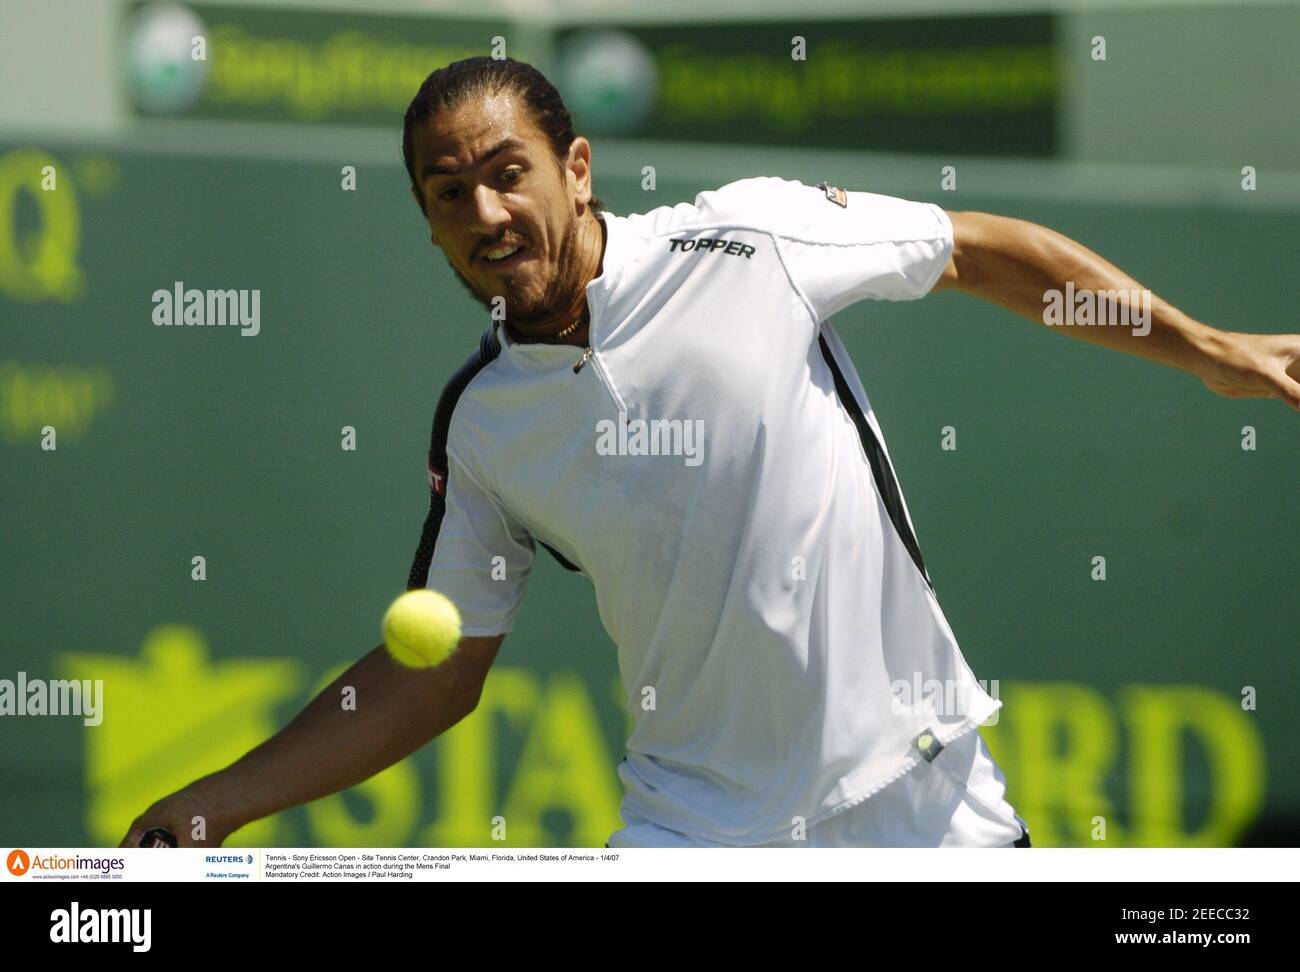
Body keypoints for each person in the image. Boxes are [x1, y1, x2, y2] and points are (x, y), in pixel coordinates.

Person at [122, 56, 1300, 851]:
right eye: (449, 193)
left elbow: (980, 250)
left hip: (919, 800)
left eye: (506, 174)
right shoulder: (483, 424)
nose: (485, 214)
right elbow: (437, 668)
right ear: (428, 223)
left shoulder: (750, 239)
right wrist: (212, 806)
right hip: (694, 833)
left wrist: (1203, 350)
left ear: (575, 171)